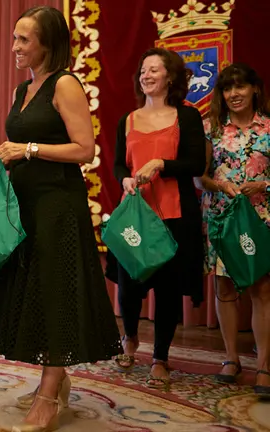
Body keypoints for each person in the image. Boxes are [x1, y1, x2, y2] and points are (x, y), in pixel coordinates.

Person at [0, 7, 122, 431]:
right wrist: (1, 156)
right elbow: (20, 142)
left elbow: (85, 149)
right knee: (36, 294)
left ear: (48, 43)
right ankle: (58, 381)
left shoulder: (65, 84)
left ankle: (48, 397)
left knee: (57, 296)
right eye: (14, 38)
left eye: (24, 40)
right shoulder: (23, 88)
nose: (15, 48)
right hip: (24, 205)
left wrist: (26, 150)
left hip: (58, 207)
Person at [111, 47, 206, 390]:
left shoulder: (187, 116)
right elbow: (119, 164)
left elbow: (197, 165)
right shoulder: (129, 119)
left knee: (167, 291)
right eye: (143, 70)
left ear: (171, 77)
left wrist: (162, 165)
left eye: (154, 70)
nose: (146, 75)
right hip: (134, 217)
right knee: (128, 287)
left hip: (173, 215)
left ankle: (160, 358)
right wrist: (124, 177)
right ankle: (130, 339)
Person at [196, 63, 270, 397]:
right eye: (227, 89)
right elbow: (200, 177)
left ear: (255, 89)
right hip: (221, 219)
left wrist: (264, 183)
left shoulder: (269, 127)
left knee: (262, 291)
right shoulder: (210, 128)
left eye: (240, 87)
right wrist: (218, 185)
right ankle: (230, 358)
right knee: (225, 290)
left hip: (261, 220)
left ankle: (265, 365)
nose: (233, 94)